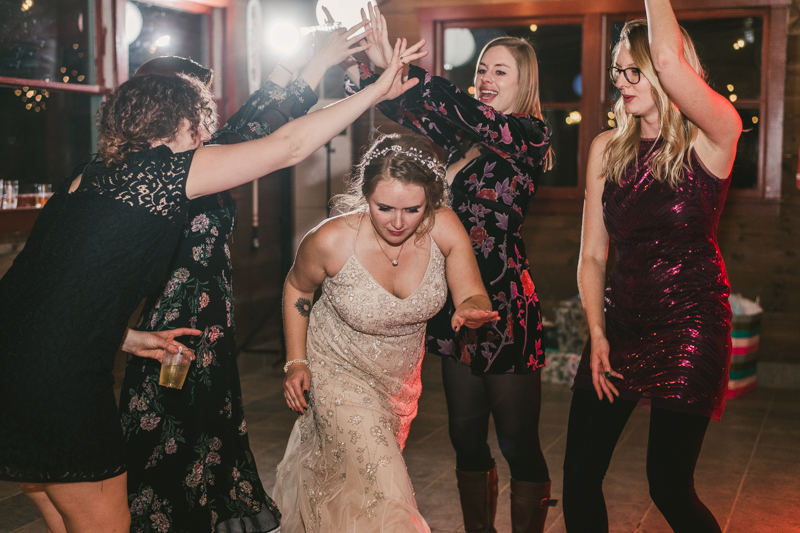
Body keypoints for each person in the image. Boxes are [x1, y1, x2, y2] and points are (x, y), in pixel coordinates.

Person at [0, 34, 426, 533]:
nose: (205, 137)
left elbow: (53, 283)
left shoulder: (89, 176)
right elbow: (286, 146)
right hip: (59, 381)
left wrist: (129, 337)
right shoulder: (163, 173)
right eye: (199, 127)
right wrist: (373, 94)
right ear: (182, 122)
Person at [119, 27, 364, 533]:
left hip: (213, 333)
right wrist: (314, 62)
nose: (207, 114)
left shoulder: (202, 153)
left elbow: (262, 112)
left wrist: (309, 62)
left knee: (209, 446)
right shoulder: (160, 173)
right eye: (196, 101)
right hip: (174, 336)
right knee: (169, 453)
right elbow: (270, 124)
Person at [342, 5, 555, 531]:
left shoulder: (529, 137)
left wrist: (409, 75)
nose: (484, 79)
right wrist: (376, 73)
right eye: (482, 69)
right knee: (465, 436)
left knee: (519, 442)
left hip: (504, 306)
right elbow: (411, 111)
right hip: (454, 303)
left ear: (522, 81)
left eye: (498, 71)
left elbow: (458, 108)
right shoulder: (467, 140)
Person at [562, 0, 741, 531]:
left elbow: (666, 56)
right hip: (619, 325)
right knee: (579, 474)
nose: (621, 80)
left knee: (667, 485)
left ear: (666, 71)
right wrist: (596, 331)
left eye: (631, 69)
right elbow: (593, 255)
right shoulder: (606, 149)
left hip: (691, 323)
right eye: (617, 70)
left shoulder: (715, 137)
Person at [273, 133, 499, 533]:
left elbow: (471, 292)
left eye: (412, 209)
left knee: (353, 490)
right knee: (387, 492)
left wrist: (472, 309)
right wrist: (296, 362)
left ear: (431, 199)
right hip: (335, 371)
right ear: (365, 195)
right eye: (384, 208)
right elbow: (298, 288)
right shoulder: (331, 239)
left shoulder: (444, 227)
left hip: (398, 386)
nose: (398, 222)